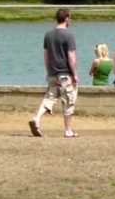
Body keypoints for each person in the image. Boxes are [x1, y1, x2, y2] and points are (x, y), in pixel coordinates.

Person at [30, 8, 79, 138]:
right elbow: (71, 57)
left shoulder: (48, 35)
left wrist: (49, 72)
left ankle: (37, 118)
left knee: (49, 98)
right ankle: (68, 130)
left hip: (52, 74)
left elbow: (46, 56)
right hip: (65, 74)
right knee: (69, 101)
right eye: (70, 18)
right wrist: (74, 74)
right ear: (67, 18)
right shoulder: (69, 35)